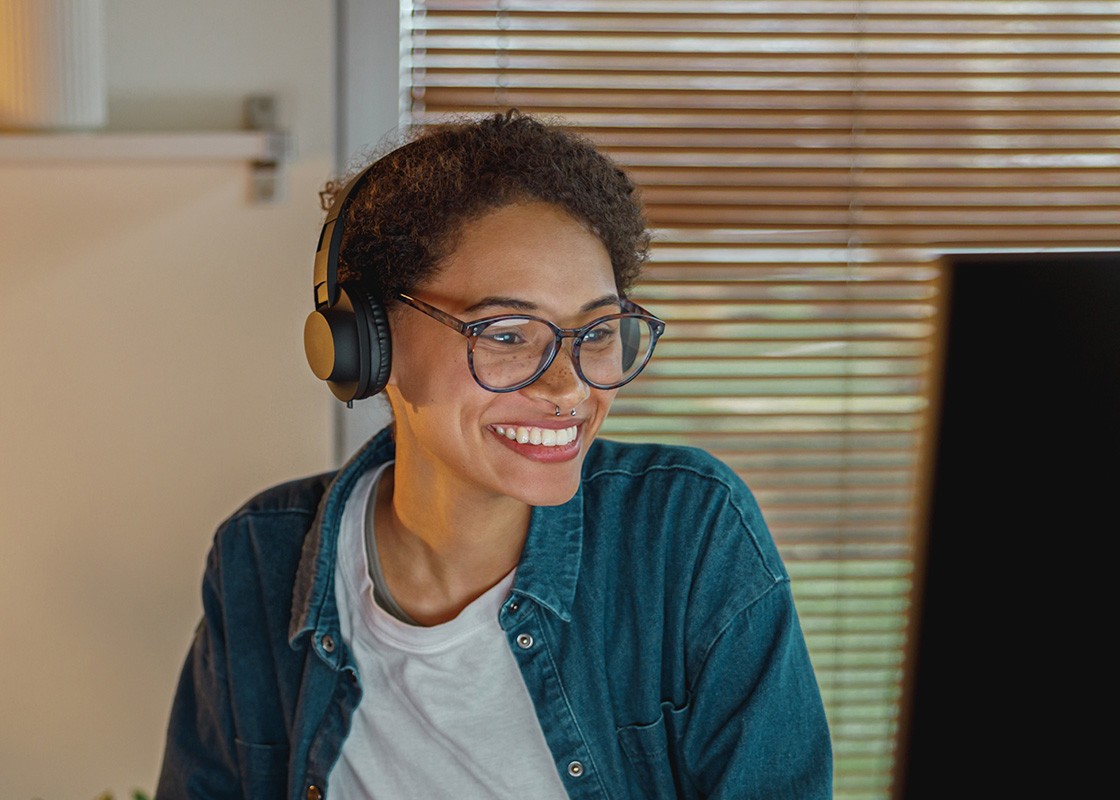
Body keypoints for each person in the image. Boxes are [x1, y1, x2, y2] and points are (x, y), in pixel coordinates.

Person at [156, 110, 832, 799]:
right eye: (508, 333)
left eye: (597, 330)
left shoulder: (685, 535)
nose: (569, 385)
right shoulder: (260, 557)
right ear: (367, 343)